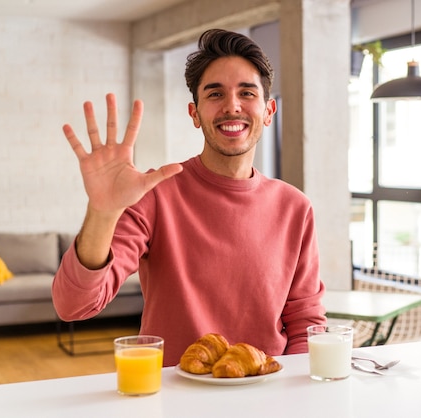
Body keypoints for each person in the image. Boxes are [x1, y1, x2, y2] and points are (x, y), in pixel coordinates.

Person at [52, 28, 326, 366]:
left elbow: (305, 321)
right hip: (173, 398)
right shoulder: (155, 196)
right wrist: (103, 211)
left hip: (268, 393)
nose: (232, 106)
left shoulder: (295, 207)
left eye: (247, 93)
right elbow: (73, 305)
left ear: (269, 111)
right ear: (195, 114)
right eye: (215, 94)